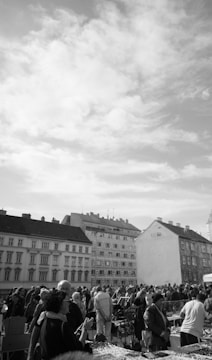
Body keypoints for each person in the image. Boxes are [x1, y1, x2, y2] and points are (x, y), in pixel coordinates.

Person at [27, 289, 93, 360]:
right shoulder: (62, 325)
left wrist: (30, 355)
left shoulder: (44, 317)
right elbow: (78, 347)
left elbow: (36, 336)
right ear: (60, 304)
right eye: (68, 301)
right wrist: (85, 329)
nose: (69, 303)